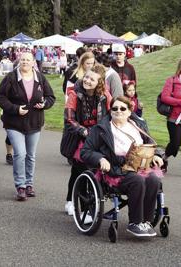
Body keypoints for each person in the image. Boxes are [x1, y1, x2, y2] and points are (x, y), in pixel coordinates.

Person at [81, 96, 163, 237]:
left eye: (123, 108)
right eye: (115, 108)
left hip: (139, 165)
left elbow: (150, 144)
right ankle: (135, 223)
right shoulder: (100, 129)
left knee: (154, 179)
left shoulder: (138, 126)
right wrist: (100, 158)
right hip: (116, 169)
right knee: (137, 181)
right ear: (110, 111)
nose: (119, 111)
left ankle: (146, 221)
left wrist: (157, 155)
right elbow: (85, 151)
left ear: (129, 111)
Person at [0, 52, 56, 201]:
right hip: (14, 123)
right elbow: (0, 97)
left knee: (31, 155)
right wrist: (15, 109)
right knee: (20, 154)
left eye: (28, 60)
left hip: (34, 123)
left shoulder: (40, 78)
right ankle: (20, 186)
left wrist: (44, 104)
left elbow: (51, 97)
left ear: (33, 62)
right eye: (22, 59)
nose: (25, 62)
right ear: (19, 61)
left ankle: (29, 184)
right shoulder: (10, 78)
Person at [63, 64, 110, 216]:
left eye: (92, 79)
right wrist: (83, 131)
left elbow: (112, 113)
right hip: (78, 137)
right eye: (87, 77)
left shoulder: (105, 96)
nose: (88, 80)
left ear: (99, 83)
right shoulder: (74, 95)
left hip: (98, 137)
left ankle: (85, 202)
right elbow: (69, 120)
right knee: (79, 171)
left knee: (92, 172)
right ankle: (77, 205)